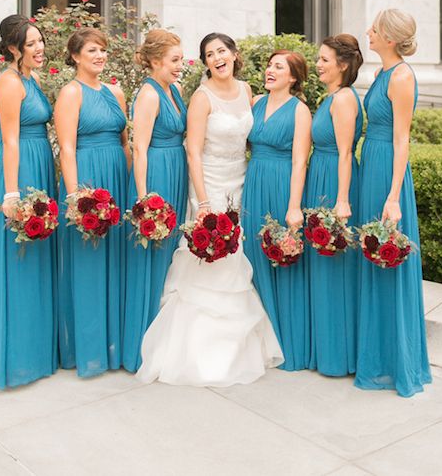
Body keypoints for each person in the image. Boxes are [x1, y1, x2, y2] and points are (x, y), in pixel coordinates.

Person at [136, 33, 282, 386]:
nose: (216, 58)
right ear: (205, 63)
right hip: (210, 185)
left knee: (238, 260)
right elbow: (193, 152)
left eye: (221, 51)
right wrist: (202, 201)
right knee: (209, 258)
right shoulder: (201, 98)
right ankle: (199, 354)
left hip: (242, 182)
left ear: (234, 55)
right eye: (208, 54)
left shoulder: (248, 92)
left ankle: (239, 346)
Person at [355, 9, 431, 397]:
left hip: (388, 172)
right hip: (372, 164)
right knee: (372, 257)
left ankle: (397, 363)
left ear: (388, 36)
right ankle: (376, 355)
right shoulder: (380, 74)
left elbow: (403, 139)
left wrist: (393, 195)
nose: (367, 31)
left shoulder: (401, 76)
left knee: (389, 257)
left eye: (373, 27)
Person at [0, 15, 57, 388]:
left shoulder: (32, 78)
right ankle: (16, 360)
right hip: (20, 172)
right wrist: (12, 194)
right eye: (32, 44)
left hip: (40, 165)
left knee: (39, 260)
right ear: (13, 49)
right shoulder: (9, 83)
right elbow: (10, 140)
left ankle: (38, 353)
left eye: (40, 40)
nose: (40, 48)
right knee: (19, 260)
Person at [55, 27, 131, 377]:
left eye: (102, 50)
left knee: (114, 261)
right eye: (91, 51)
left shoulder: (116, 91)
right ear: (75, 57)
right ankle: (88, 349)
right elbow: (67, 148)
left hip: (116, 179)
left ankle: (112, 343)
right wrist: (75, 198)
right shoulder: (71, 93)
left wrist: (129, 187)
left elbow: (125, 142)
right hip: (87, 179)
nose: (99, 56)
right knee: (88, 263)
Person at [241, 51, 312, 371]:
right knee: (252, 258)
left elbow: (300, 160)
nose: (270, 70)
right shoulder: (255, 102)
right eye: (269, 65)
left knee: (280, 259)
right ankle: (259, 343)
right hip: (253, 183)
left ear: (293, 77)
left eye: (278, 67)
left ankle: (287, 343)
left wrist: (294, 206)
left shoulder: (300, 111)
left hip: (282, 185)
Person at [122, 29, 188, 373]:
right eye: (175, 60)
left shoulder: (173, 90)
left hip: (177, 170)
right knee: (153, 255)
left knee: (170, 256)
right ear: (155, 61)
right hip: (159, 176)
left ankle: (165, 338)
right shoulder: (148, 94)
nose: (181, 65)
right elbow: (140, 147)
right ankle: (142, 344)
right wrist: (145, 197)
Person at [304, 34, 363, 376]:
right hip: (319, 177)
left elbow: (344, 153)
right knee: (322, 265)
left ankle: (338, 356)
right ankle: (325, 349)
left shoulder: (343, 100)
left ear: (342, 64)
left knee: (335, 266)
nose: (318, 64)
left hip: (334, 181)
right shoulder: (329, 97)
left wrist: (342, 200)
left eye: (324, 59)